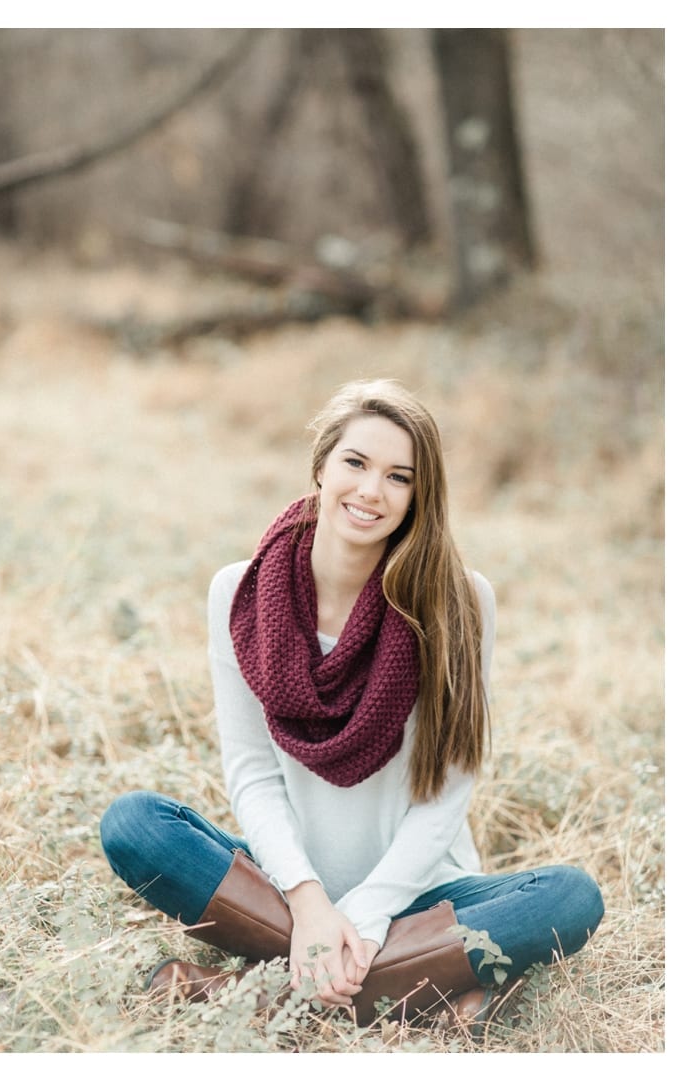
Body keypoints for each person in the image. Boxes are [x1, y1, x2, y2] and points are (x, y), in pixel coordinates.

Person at [100, 379, 602, 1032]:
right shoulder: (240, 592)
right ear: (322, 465)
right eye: (356, 463)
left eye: (399, 477)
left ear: (421, 496)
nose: (371, 491)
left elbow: (449, 789)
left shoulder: (460, 601)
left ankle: (254, 990)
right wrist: (310, 902)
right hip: (286, 880)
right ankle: (419, 988)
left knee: (570, 898)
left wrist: (368, 912)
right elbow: (251, 770)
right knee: (135, 826)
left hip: (422, 893)